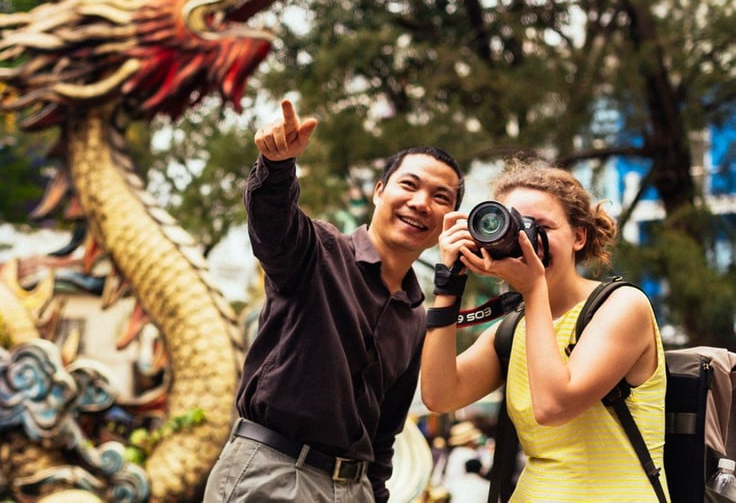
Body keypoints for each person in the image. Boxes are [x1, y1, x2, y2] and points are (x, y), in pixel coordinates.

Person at [203, 99, 465, 503]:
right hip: (273, 472)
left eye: (440, 197)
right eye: (409, 185)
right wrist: (276, 167)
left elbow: (383, 435)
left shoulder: (416, 317)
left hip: (354, 489)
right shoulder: (318, 251)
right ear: (379, 192)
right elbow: (273, 223)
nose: (420, 203)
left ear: (448, 218)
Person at [420, 158, 669, 501]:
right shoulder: (513, 329)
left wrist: (534, 289)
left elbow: (553, 406)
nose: (526, 240)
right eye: (514, 228)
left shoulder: (622, 306)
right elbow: (439, 395)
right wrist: (448, 285)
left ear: (579, 236)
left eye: (541, 227)